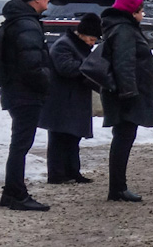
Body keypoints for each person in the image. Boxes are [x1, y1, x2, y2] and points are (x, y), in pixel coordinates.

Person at [0, 0, 54, 211]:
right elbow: (31, 64)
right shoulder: (27, 25)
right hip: (25, 94)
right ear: (37, 0)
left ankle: (12, 193)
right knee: (20, 145)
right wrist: (47, 80)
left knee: (19, 144)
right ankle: (16, 194)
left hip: (16, 91)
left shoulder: (18, 20)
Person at [101, 0, 153, 203]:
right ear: (132, 12)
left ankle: (118, 187)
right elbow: (123, 63)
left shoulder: (121, 28)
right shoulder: (124, 30)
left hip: (124, 93)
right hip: (126, 95)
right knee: (123, 138)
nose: (143, 14)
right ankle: (118, 188)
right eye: (141, 10)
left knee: (123, 138)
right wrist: (128, 93)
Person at [40, 12, 102, 184]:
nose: (93, 43)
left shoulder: (77, 46)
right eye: (91, 39)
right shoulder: (63, 45)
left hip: (72, 100)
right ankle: (57, 174)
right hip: (61, 101)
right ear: (81, 34)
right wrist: (91, 68)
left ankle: (72, 171)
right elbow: (67, 68)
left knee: (73, 137)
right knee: (59, 138)